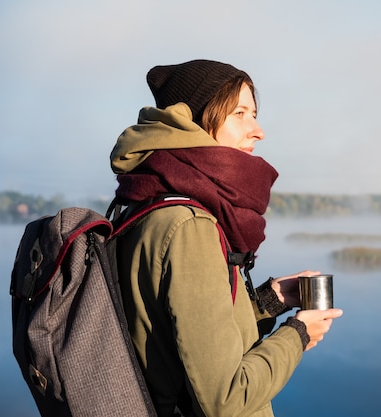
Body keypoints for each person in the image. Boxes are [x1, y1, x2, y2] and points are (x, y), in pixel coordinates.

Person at [109, 59, 343, 417]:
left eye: (254, 113)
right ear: (194, 123)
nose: (258, 130)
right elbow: (225, 400)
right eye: (240, 113)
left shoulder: (148, 202)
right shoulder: (190, 226)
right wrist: (297, 334)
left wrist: (268, 300)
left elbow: (181, 337)